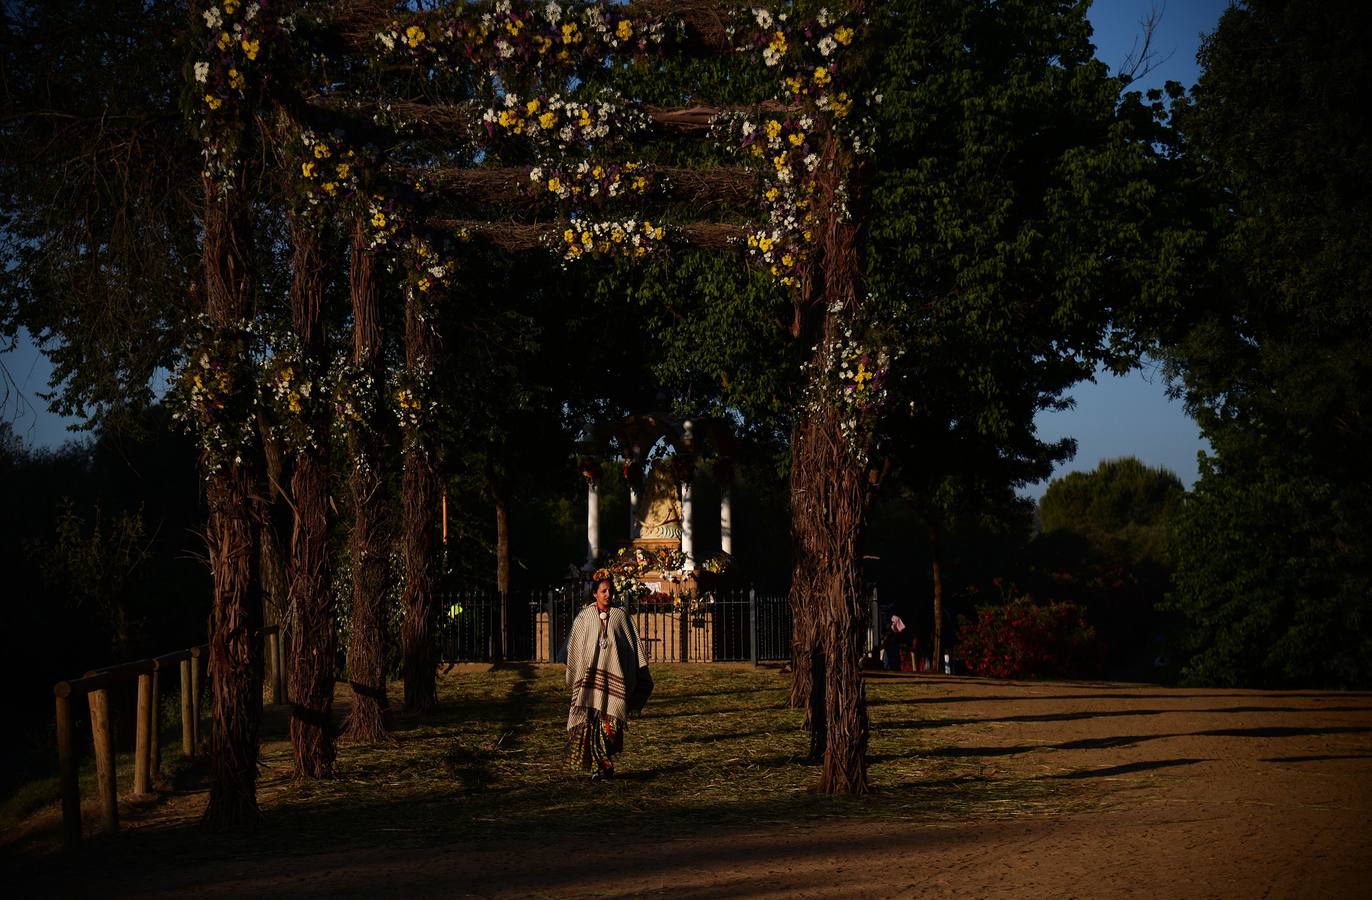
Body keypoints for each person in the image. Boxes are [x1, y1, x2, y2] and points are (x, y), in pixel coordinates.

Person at [565, 570, 653, 781]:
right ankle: (599, 767)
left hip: (615, 684)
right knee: (590, 726)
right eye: (603, 591)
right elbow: (576, 649)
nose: (607, 595)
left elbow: (632, 650)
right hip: (590, 685)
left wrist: (633, 674)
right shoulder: (584, 617)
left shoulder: (620, 616)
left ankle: (604, 761)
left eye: (610, 591)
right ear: (594, 593)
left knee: (610, 727)